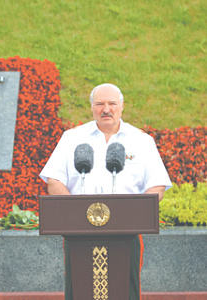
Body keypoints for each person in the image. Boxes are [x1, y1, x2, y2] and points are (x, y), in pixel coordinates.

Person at [39, 83, 172, 300]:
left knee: (126, 291)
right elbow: (54, 181)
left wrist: (136, 214)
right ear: (92, 107)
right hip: (78, 232)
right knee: (79, 290)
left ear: (122, 106)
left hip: (126, 232)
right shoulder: (72, 138)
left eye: (112, 104)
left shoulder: (141, 141)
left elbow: (157, 185)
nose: (106, 109)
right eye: (100, 104)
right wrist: (74, 213)